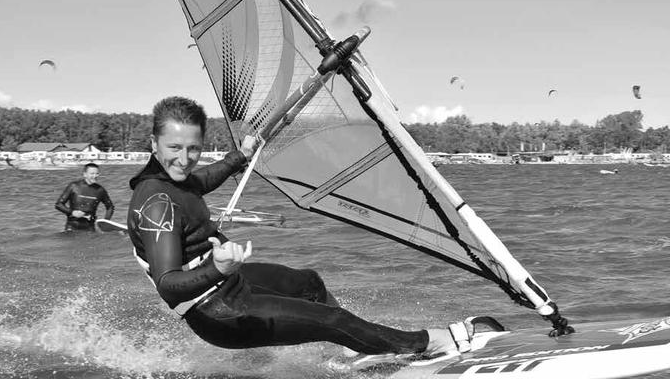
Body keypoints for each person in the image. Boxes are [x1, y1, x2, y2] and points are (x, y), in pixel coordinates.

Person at [127, 96, 465, 357]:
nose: (184, 159)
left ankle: (356, 346)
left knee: (309, 284)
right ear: (153, 144)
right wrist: (217, 267)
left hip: (231, 285)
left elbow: (200, 179)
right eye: (174, 148)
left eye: (193, 149)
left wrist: (240, 156)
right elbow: (168, 285)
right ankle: (422, 343)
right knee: (333, 321)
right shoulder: (157, 205)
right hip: (218, 313)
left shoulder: (174, 179)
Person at [55, 162, 115, 232]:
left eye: (97, 173)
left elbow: (110, 207)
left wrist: (106, 222)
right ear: (85, 174)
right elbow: (58, 204)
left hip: (89, 227)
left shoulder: (100, 190)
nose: (95, 176)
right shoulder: (74, 186)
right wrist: (72, 212)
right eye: (92, 173)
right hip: (72, 226)